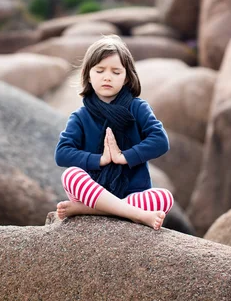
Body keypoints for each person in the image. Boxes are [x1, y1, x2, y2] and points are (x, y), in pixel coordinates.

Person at [54, 35, 174, 230]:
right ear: (88, 75)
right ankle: (135, 214)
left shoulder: (137, 108)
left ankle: (89, 210)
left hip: (132, 193)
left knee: (164, 198)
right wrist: (99, 159)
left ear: (126, 77)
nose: (107, 77)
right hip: (93, 191)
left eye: (116, 72)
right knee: (71, 175)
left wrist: (123, 157)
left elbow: (160, 141)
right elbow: (62, 153)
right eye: (100, 70)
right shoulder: (81, 116)